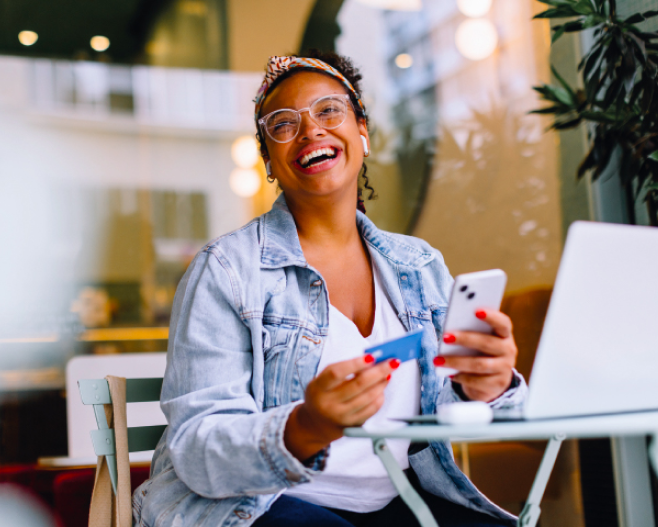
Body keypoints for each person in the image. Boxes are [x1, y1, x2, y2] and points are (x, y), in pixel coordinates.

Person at [133, 50, 528, 527]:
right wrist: (305, 427)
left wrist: (486, 388)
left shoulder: (419, 265)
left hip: (397, 500)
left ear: (362, 131)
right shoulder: (225, 271)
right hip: (255, 506)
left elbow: (443, 416)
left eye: (328, 110)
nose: (310, 130)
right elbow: (199, 449)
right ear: (269, 162)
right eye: (282, 124)